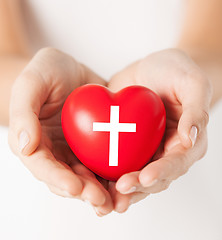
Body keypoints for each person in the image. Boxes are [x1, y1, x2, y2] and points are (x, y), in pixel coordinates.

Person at [0, 0, 222, 220]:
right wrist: (30, 97)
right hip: (34, 203)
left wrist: (189, 83)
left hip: (194, 198)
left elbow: (214, 48)